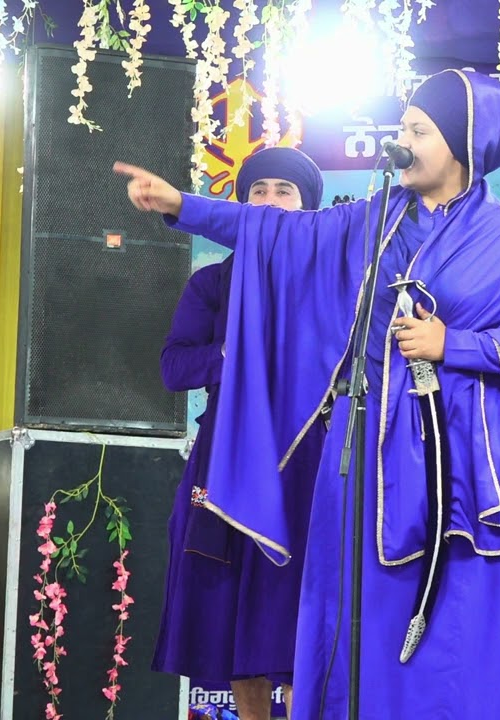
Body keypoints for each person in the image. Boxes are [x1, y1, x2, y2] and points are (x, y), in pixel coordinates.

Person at [116, 69, 500, 718]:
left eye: (419, 129)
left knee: (451, 646)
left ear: (464, 144)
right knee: (360, 636)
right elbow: (281, 234)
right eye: (403, 126)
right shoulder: (378, 218)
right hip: (368, 466)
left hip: (460, 475)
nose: (402, 140)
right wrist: (183, 205)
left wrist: (452, 345)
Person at [152, 147, 325, 720]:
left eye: (285, 192)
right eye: (259, 191)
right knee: (230, 608)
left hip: (309, 464)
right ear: (241, 203)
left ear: (309, 209)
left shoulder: (333, 286)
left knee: (301, 609)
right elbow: (175, 368)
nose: (271, 203)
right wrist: (231, 355)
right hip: (225, 461)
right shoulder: (213, 285)